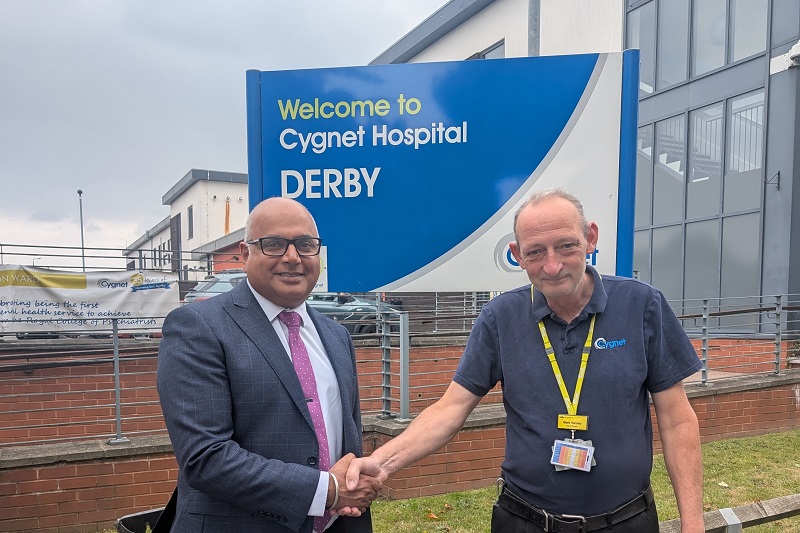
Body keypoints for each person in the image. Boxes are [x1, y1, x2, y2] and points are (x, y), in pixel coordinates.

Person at [345, 189, 704, 533]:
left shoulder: (642, 305)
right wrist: (381, 462)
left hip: (626, 521)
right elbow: (451, 409)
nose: (552, 265)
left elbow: (676, 419)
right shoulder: (500, 316)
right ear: (516, 254)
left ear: (590, 238)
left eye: (566, 246)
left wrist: (693, 523)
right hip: (525, 521)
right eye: (535, 252)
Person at [158, 197, 379, 533]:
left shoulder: (336, 336)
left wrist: (351, 484)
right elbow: (205, 457)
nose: (292, 257)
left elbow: (345, 441)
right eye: (274, 244)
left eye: (305, 245)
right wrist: (327, 491)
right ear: (246, 254)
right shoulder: (197, 326)